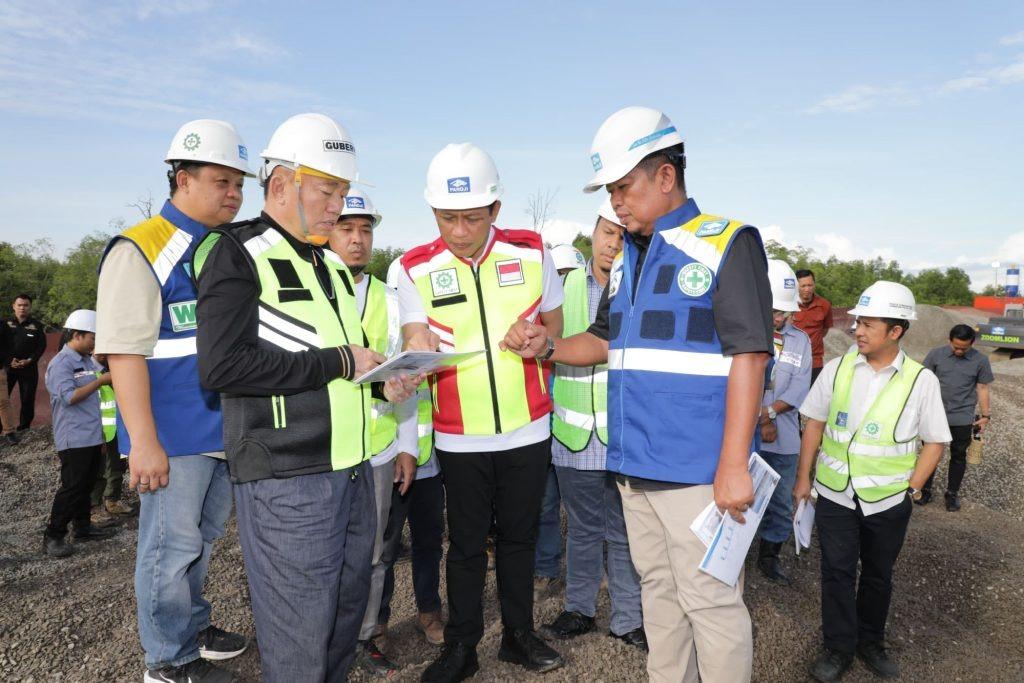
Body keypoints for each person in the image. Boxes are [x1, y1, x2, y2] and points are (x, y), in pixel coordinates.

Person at [503, 105, 773, 683]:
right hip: (634, 465)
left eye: (623, 187)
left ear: (666, 176)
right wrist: (547, 346)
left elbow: (751, 355)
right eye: (610, 191)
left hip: (699, 473)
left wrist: (733, 465)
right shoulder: (627, 258)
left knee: (710, 603)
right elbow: (604, 340)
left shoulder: (727, 244)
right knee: (659, 595)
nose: (616, 202)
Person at [193, 112, 420, 683]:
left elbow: (345, 364)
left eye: (342, 193)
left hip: (352, 470)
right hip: (287, 479)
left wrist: (384, 380)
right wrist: (341, 361)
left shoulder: (331, 265)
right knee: (299, 636)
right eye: (327, 191)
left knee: (342, 621)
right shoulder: (236, 252)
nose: (337, 207)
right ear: (281, 184)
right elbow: (222, 365)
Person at [399, 142, 565, 681]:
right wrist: (416, 347)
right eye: (446, 218)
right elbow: (414, 336)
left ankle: (518, 635)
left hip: (528, 427)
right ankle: (462, 647)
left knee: (520, 539)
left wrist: (538, 336)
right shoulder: (412, 268)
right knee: (466, 546)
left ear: (496, 208)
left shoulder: (533, 252)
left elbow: (556, 328)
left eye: (472, 218)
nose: (459, 231)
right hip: (460, 435)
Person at [95, 119, 253, 683]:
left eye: (240, 184)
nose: (233, 194)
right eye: (221, 181)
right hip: (173, 437)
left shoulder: (226, 247)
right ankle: (167, 661)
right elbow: (123, 353)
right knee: (168, 549)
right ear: (182, 178)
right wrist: (144, 442)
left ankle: (191, 628)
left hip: (222, 429)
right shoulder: (141, 248)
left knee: (200, 544)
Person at [794, 281, 951, 682]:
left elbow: (935, 442)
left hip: (888, 501)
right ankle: (838, 648)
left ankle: (870, 642)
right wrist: (802, 478)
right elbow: (814, 424)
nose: (857, 331)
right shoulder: (838, 369)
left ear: (896, 330)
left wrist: (911, 490)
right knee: (837, 572)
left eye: (867, 324)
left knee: (878, 576)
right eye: (858, 322)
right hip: (835, 495)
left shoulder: (921, 381)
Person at [538, 198, 647, 649]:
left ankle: (628, 619)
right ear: (593, 232)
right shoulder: (563, 289)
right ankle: (579, 610)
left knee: (624, 534)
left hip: (625, 440)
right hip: (574, 438)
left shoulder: (641, 287)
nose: (613, 244)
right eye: (607, 232)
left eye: (623, 235)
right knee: (582, 530)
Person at [328, 188, 421, 677]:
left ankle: (366, 637)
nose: (357, 239)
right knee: (323, 552)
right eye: (346, 228)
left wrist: (408, 446)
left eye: (365, 230)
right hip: (326, 449)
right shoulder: (312, 293)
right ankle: (321, 641)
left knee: (376, 553)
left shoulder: (391, 298)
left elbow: (406, 376)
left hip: (379, 449)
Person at [377, 258, 447, 648]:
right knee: (385, 547)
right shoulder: (387, 322)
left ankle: (429, 611)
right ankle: (378, 622)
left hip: (427, 459)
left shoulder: (429, 327)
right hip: (390, 457)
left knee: (429, 541)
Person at [42, 310, 117, 558]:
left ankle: (82, 527)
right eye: (93, 337)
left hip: (91, 434)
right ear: (77, 335)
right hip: (73, 437)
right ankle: (53, 535)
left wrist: (101, 437)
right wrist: (99, 382)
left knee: (87, 483)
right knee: (72, 487)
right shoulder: (61, 364)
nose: (95, 343)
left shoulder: (86, 361)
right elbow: (69, 397)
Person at [755, 259, 812, 585]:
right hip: (745, 433)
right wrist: (759, 417)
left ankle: (769, 556)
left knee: (779, 500)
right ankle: (731, 553)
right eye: (774, 310)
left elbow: (800, 387)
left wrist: (769, 414)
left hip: (784, 436)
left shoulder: (800, 340)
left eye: (784, 312)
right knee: (742, 494)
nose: (779, 318)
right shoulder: (744, 332)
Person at [920, 324, 994, 511]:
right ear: (949, 340)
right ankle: (925, 489)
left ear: (972, 343)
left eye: (964, 348)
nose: (959, 351)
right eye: (956, 347)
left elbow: (983, 387)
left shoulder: (981, 360)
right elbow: (922, 382)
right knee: (930, 453)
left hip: (962, 416)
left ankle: (952, 494)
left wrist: (985, 415)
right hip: (934, 414)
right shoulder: (935, 355)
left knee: (959, 456)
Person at [88, 353, 132, 525]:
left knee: (117, 465)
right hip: (100, 430)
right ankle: (93, 507)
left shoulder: (113, 366)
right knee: (98, 470)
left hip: (117, 427)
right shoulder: (87, 372)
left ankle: (112, 500)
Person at [6, 293, 47, 431]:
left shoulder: (37, 325)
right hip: (7, 367)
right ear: (13, 306)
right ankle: (4, 429)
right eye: (19, 305)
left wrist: (29, 360)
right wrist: (8, 360)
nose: (22, 308)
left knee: (27, 399)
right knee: (2, 399)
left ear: (30, 307)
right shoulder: (5, 324)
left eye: (25, 305)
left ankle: (24, 429)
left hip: (28, 368)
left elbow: (41, 347)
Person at [791, 269, 833, 386]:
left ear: (814, 285)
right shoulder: (790, 305)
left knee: (814, 393)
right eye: (803, 286)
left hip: (815, 362)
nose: (807, 289)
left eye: (810, 285)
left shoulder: (824, 305)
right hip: (793, 361)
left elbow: (824, 330)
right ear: (797, 286)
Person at [0, 316, 17, 445]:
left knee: (3, 401)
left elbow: (10, 344)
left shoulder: (2, 324)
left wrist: (6, 363)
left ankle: (9, 432)